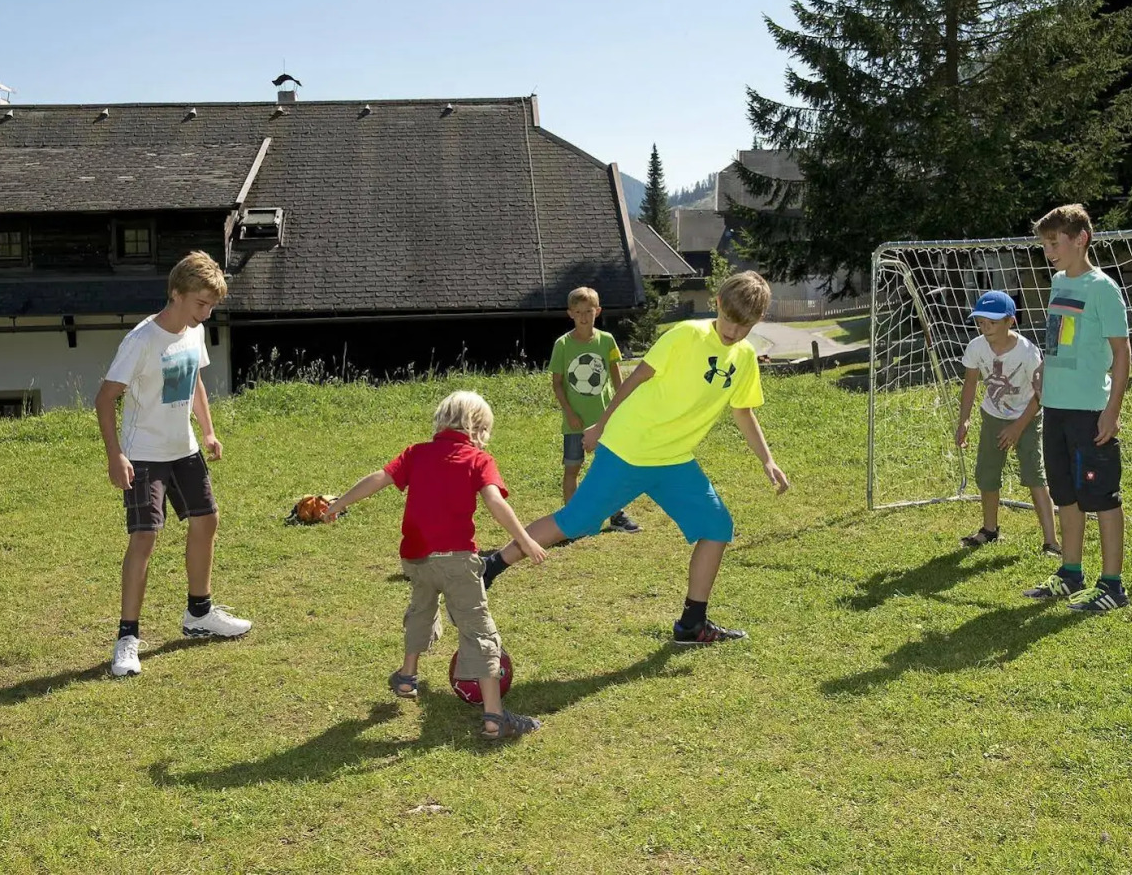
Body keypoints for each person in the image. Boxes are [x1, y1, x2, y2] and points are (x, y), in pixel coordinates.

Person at [481, 271, 790, 644]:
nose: (734, 331)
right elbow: (635, 378)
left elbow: (743, 411)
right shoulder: (685, 335)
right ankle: (489, 567)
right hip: (629, 449)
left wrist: (767, 460)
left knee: (716, 527)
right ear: (719, 303)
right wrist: (600, 425)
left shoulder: (744, 356)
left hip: (674, 460)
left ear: (758, 321)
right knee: (575, 521)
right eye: (729, 320)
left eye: (745, 326)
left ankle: (692, 624)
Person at [324, 391, 547, 740]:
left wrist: (339, 503)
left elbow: (379, 478)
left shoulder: (417, 453)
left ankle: (407, 677)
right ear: (478, 429)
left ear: (442, 421)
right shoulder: (478, 459)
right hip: (457, 562)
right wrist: (525, 539)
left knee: (422, 610)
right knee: (478, 630)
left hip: (416, 560)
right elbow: (494, 501)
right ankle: (494, 718)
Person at [95, 251, 253, 678]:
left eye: (212, 305)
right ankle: (127, 638)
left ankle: (199, 614)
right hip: (144, 455)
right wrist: (115, 455)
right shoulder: (141, 340)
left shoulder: (194, 331)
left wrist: (209, 431)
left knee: (207, 519)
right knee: (145, 536)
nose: (207, 313)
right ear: (177, 294)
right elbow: (105, 399)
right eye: (202, 303)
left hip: (184, 449)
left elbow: (194, 380)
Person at [1022, 204, 1132, 612]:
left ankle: (1112, 586)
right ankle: (1071, 574)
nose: (1049, 252)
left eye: (1055, 243)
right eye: (1045, 245)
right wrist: (1044, 370)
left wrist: (1112, 410)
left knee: (1101, 496)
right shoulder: (1057, 283)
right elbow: (1057, 339)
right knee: (1065, 494)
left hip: (1089, 412)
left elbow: (1122, 353)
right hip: (1055, 408)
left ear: (1081, 239)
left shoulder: (1103, 288)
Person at [952, 290, 1058, 555]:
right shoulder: (976, 347)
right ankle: (990, 530)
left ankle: (1051, 542)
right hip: (993, 417)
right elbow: (970, 384)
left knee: (1035, 476)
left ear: (1010, 321)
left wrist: (1018, 427)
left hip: (1027, 417)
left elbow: (1041, 394)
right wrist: (964, 420)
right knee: (987, 475)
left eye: (992, 322)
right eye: (981, 322)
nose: (985, 327)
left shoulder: (1027, 352)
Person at [548, 286, 638, 532]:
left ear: (598, 311)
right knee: (572, 470)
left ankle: (617, 516)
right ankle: (572, 521)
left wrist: (621, 408)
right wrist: (569, 413)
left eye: (588, 311)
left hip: (604, 420)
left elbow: (617, 377)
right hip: (575, 422)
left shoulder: (606, 341)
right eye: (578, 312)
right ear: (570, 313)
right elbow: (557, 384)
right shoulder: (562, 344)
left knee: (609, 470)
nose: (584, 317)